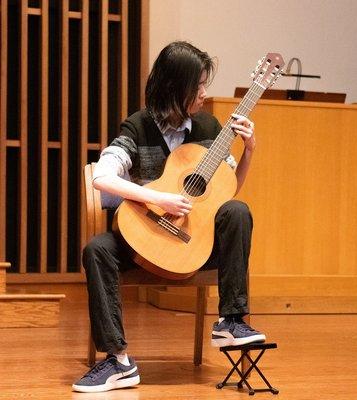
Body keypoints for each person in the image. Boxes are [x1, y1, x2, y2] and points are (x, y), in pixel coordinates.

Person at [72, 41, 266, 393]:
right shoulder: (137, 126)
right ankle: (117, 360)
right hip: (143, 240)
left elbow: (226, 190)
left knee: (237, 211)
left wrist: (249, 150)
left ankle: (231, 320)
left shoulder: (209, 128)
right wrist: (159, 197)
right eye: (198, 86)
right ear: (175, 89)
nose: (205, 94)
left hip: (193, 243)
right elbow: (102, 177)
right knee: (96, 249)